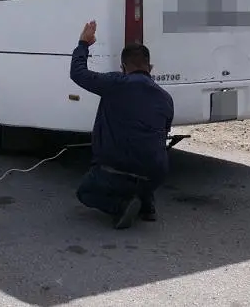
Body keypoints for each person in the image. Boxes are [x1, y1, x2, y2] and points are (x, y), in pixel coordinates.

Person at [70, 21, 174, 229]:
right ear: (150, 68)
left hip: (117, 169)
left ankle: (122, 205)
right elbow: (162, 133)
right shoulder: (165, 98)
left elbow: (78, 73)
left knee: (85, 192)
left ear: (123, 68)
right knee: (147, 151)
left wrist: (83, 43)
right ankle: (147, 205)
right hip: (156, 174)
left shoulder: (115, 83)